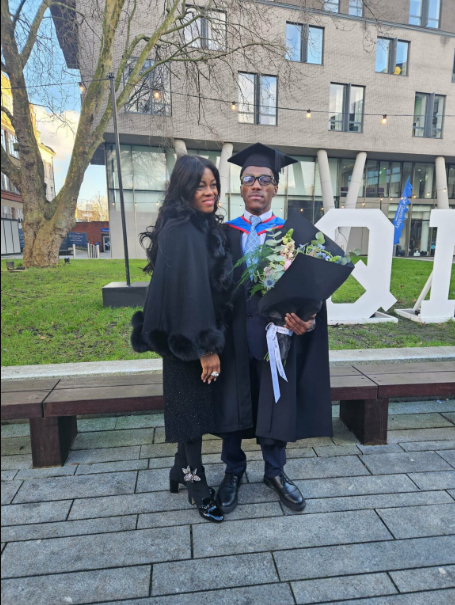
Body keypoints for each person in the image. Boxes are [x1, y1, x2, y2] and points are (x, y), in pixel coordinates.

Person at [213, 143, 333, 514]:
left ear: (275, 188)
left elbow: (313, 290)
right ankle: (233, 471)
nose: (257, 185)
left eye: (265, 180)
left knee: (275, 402)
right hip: (232, 337)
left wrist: (308, 319)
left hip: (275, 339)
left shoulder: (292, 236)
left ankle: (275, 472)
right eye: (249, 179)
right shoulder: (221, 235)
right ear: (240, 187)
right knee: (232, 402)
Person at [131, 154, 234, 523]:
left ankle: (179, 468)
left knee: (192, 408)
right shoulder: (182, 229)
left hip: (186, 332)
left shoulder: (197, 225)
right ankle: (195, 482)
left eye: (213, 184)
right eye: (200, 185)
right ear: (184, 188)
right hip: (186, 337)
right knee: (190, 414)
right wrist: (205, 347)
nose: (210, 192)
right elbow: (189, 293)